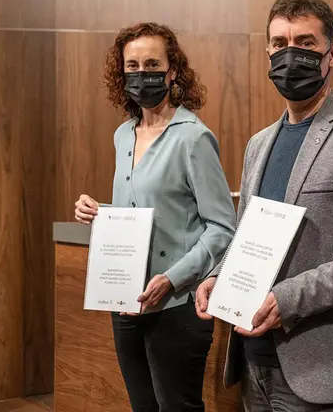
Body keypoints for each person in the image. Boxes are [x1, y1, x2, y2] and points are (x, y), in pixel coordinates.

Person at [194, 0, 333, 412]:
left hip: (324, 369)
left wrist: (290, 298)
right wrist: (219, 275)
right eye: (280, 43)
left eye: (305, 43)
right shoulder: (258, 143)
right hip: (254, 361)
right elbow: (244, 235)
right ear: (268, 52)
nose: (291, 54)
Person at [73, 22, 236, 412]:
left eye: (151, 64)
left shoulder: (193, 138)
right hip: (127, 303)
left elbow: (222, 227)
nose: (141, 74)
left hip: (176, 306)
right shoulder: (122, 135)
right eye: (132, 66)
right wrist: (99, 212)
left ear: (173, 70)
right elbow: (144, 211)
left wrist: (173, 278)